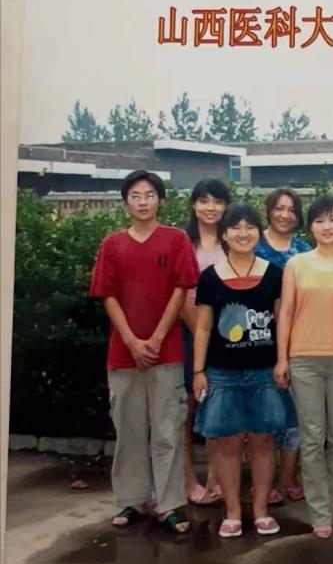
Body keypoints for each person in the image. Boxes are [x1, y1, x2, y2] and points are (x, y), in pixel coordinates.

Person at [90, 170, 199, 534]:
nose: (142, 201)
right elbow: (107, 295)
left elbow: (181, 289)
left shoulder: (176, 239)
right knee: (129, 430)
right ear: (126, 202)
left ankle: (170, 504)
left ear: (160, 200)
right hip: (123, 355)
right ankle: (132, 500)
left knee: (168, 430)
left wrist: (155, 338)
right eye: (135, 195)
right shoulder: (112, 245)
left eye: (149, 195)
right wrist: (133, 342)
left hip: (167, 353)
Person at [192, 203, 288, 538]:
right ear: (224, 234)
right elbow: (203, 327)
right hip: (222, 373)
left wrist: (283, 360)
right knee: (228, 444)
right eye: (236, 227)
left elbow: (282, 322)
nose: (243, 233)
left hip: (265, 371)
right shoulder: (210, 277)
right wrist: (198, 370)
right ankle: (232, 511)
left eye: (250, 227)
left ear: (259, 233)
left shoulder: (274, 274)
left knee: (263, 441)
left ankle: (260, 510)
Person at [274, 195, 333, 539]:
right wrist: (282, 358)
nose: (327, 227)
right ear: (310, 226)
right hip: (303, 360)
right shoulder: (296, 264)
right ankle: (319, 512)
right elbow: (286, 313)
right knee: (312, 438)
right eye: (320, 220)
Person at [255, 188, 312, 504]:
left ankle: (288, 477)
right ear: (268, 211)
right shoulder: (252, 245)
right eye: (279, 208)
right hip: (255, 341)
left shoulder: (304, 252)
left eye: (291, 210)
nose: (285, 215)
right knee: (262, 415)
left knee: (293, 415)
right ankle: (264, 480)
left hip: (296, 342)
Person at [180, 178, 231, 507]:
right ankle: (187, 477)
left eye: (217, 201)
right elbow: (177, 291)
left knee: (218, 406)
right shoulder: (182, 242)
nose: (210, 208)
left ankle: (216, 474)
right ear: (194, 205)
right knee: (187, 407)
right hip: (188, 331)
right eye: (204, 201)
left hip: (227, 335)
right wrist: (201, 329)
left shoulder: (232, 240)